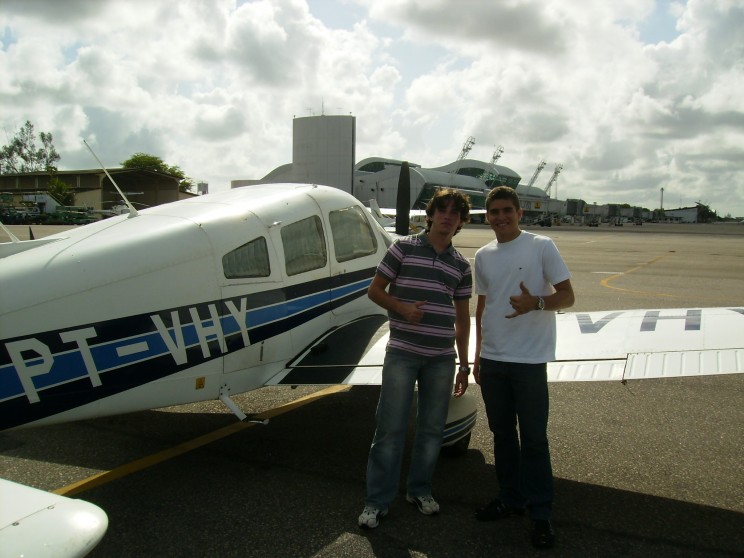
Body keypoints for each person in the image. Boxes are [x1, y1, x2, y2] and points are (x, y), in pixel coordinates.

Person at [357, 188, 472, 529]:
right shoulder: (403, 248)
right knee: (390, 429)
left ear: (461, 222)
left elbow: (463, 318)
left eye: (455, 213)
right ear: (432, 214)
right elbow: (375, 290)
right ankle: (376, 501)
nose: (448, 217)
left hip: (441, 359)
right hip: (403, 354)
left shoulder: (461, 265)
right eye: (443, 210)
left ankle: (419, 489)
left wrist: (463, 365)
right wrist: (402, 308)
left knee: (432, 430)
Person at [472, 186, 575, 549]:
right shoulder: (483, 256)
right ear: (487, 217)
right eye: (494, 212)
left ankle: (541, 513)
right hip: (495, 359)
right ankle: (510, 498)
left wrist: (537, 303)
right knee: (502, 435)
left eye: (507, 211)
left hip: (529, 361)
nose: (501, 217)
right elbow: (483, 307)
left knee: (533, 439)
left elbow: (568, 295)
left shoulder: (541, 246)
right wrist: (478, 354)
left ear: (519, 213)